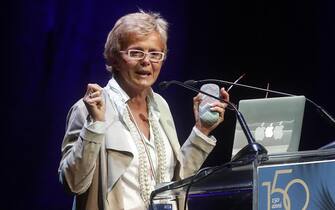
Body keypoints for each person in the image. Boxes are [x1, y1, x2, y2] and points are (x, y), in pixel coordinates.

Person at [58, 10, 229, 210]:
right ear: (114, 58)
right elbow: (72, 183)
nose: (146, 61)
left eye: (155, 54)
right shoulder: (88, 109)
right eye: (136, 52)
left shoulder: (161, 106)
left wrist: (202, 131)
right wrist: (95, 125)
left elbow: (175, 181)